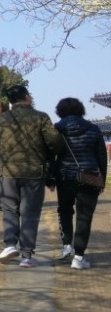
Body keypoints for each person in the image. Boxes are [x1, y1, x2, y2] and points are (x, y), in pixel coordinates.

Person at [0, 84, 63, 268]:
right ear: (27, 97)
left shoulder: (2, 119)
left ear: (10, 101)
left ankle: (9, 245)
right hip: (34, 174)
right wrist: (48, 152)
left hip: (8, 172)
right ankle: (27, 256)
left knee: (10, 209)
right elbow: (54, 141)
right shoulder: (41, 117)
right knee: (30, 214)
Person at [50, 97, 108, 270]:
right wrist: (102, 180)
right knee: (84, 217)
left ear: (60, 111)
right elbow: (101, 157)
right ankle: (79, 257)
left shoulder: (57, 129)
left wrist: (51, 178)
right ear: (81, 110)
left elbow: (50, 155)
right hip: (89, 177)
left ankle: (66, 246)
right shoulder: (94, 128)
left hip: (65, 177)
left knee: (65, 211)